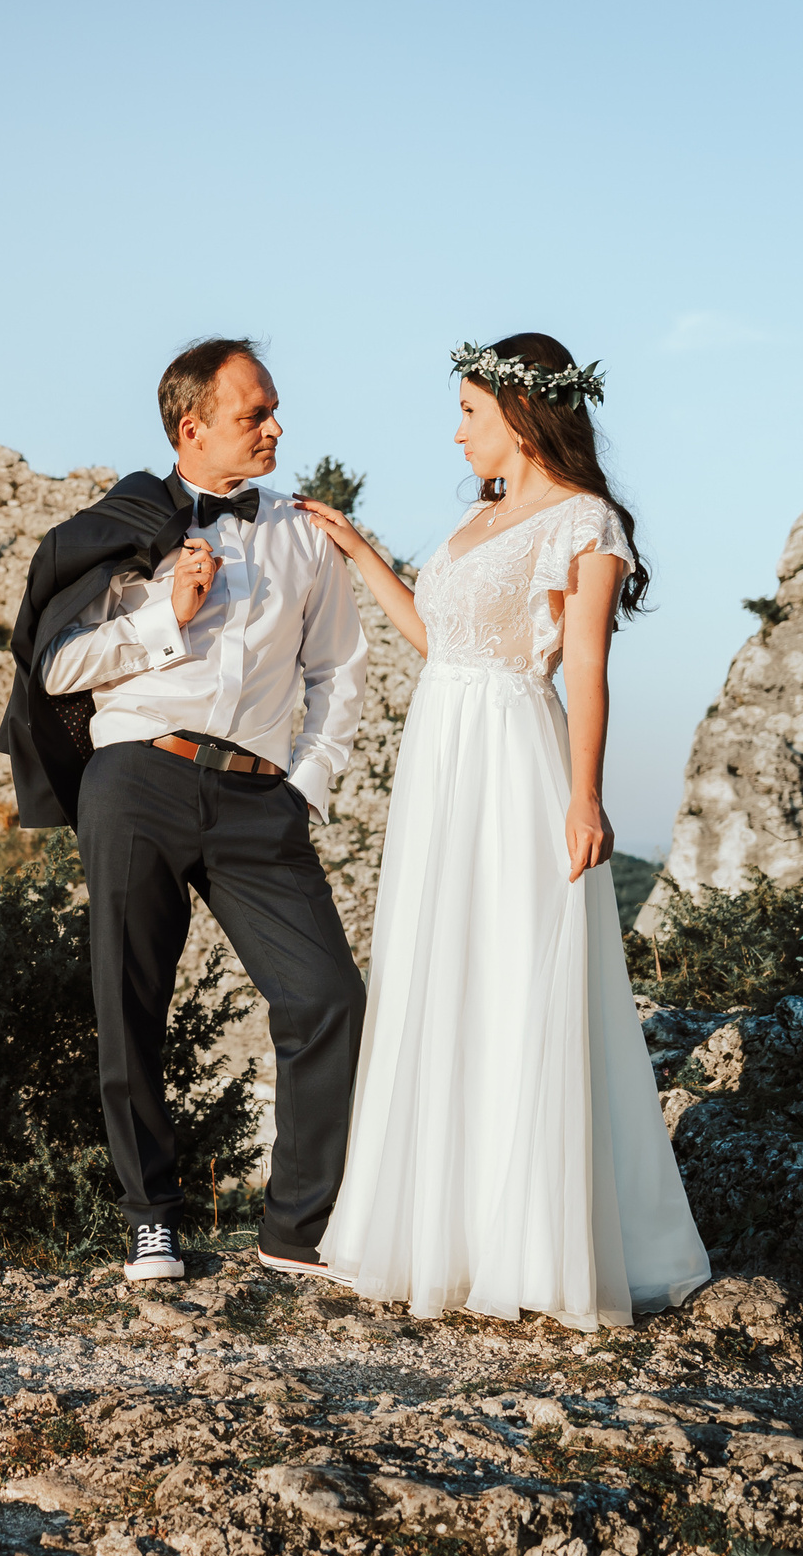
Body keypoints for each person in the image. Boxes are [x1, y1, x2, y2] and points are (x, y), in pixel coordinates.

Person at [294, 333, 710, 1329]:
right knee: (441, 972)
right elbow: (440, 642)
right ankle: (438, 1234)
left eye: (470, 413)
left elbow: (588, 670)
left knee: (518, 977)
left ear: (520, 417)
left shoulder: (586, 523)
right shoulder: (479, 521)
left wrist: (584, 800)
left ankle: (529, 1246)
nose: (456, 431)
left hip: (515, 758)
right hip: (440, 760)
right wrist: (357, 550)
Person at [0, 338, 371, 1283]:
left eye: (277, 407)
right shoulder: (128, 528)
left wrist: (304, 782)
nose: (278, 426)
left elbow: (338, 672)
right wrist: (170, 615)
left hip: (258, 797)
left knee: (327, 996)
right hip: (139, 779)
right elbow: (58, 665)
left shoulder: (304, 534)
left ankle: (297, 1230)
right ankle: (152, 1218)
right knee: (130, 1000)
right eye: (257, 413)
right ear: (192, 427)